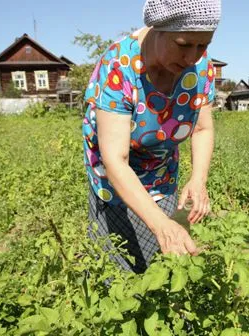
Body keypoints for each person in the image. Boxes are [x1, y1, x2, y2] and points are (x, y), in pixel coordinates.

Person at [82, 0, 221, 273]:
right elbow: (116, 161)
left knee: (161, 260)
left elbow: (202, 128)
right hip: (114, 175)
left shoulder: (201, 67)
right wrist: (160, 225)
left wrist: (198, 179)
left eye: (203, 45)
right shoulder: (119, 67)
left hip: (161, 169)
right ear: (158, 28)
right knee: (119, 264)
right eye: (183, 44)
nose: (193, 57)